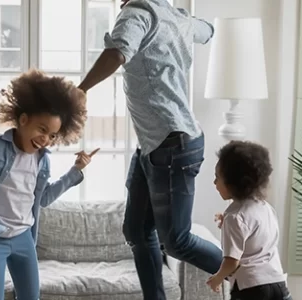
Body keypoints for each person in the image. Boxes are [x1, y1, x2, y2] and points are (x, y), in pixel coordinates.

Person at [77, 0, 218, 298]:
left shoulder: (136, 14)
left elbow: (118, 52)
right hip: (156, 145)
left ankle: (253, 275)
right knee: (137, 232)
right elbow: (207, 31)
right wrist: (196, 26)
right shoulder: (174, 15)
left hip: (172, 144)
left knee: (176, 241)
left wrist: (80, 90)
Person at [0, 69, 96, 300]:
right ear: (23, 120)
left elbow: (43, 198)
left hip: (24, 237)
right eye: (42, 129)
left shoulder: (42, 159)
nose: (46, 139)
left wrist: (75, 172)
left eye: (52, 135)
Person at [206, 141, 291, 300]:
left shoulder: (234, 216)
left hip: (251, 288)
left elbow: (232, 262)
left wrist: (217, 278)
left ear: (234, 183)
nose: (214, 183)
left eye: (217, 178)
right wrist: (227, 221)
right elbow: (256, 234)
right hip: (278, 283)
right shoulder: (265, 208)